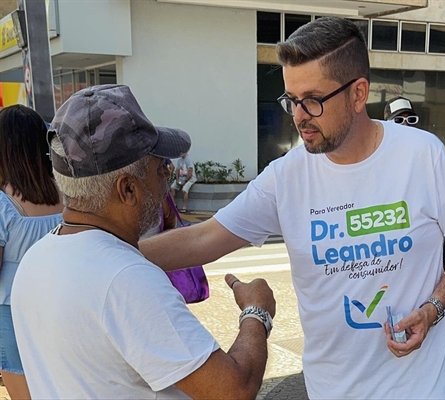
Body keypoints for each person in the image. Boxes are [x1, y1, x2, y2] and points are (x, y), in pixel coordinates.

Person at [140, 17, 445, 399]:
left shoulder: (421, 155)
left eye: (312, 100)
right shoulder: (286, 176)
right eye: (291, 100)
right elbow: (204, 238)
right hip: (330, 391)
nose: (298, 116)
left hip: (419, 391)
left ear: (358, 94)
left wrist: (433, 307)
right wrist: (100, 250)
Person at [11, 84, 276, 399]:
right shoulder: (127, 279)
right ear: (128, 189)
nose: (168, 175)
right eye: (160, 166)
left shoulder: (36, 258)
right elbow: (233, 390)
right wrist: (256, 313)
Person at [0, 105, 63, 400]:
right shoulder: (66, 193)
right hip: (59, 301)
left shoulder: (3, 203)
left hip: (10, 309)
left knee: (21, 385)